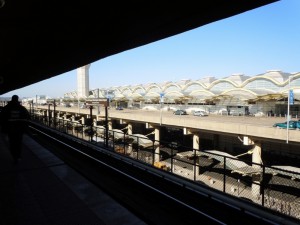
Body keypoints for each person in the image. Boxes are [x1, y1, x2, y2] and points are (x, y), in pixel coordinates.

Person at [0, 95, 30, 163]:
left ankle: (14, 156)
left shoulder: (6, 108)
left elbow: (2, 118)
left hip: (10, 129)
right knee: (18, 143)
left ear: (11, 99)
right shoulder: (22, 108)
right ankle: (18, 156)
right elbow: (28, 117)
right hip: (19, 130)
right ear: (17, 99)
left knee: (12, 143)